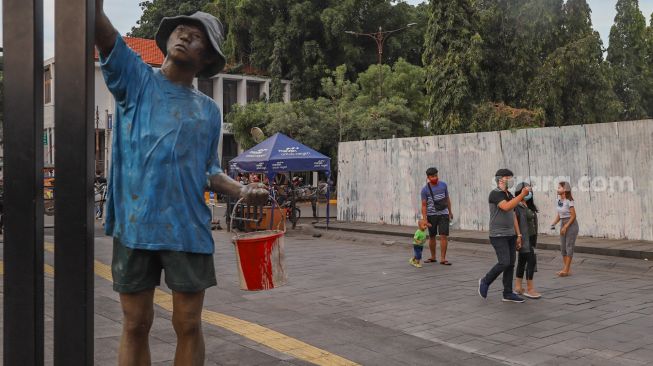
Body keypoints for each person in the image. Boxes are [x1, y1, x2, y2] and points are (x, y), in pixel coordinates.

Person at [95, 2, 268, 365]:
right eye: (181, 31)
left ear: (207, 59)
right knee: (135, 323)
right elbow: (103, 31)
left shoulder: (207, 110)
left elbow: (209, 169)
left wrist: (241, 190)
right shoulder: (137, 79)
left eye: (198, 38)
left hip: (187, 228)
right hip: (135, 225)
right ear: (167, 38)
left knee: (188, 324)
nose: (186, 36)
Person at [478, 169, 530, 303]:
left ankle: (507, 293)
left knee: (511, 264)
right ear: (500, 179)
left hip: (510, 234)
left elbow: (512, 214)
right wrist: (522, 195)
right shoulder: (495, 194)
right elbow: (506, 207)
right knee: (504, 262)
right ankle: (485, 281)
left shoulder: (509, 194)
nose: (511, 180)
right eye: (508, 178)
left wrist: (518, 234)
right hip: (498, 234)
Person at [513, 182, 541, 299]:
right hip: (524, 238)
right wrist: (517, 237)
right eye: (526, 190)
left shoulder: (528, 205)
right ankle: (530, 289)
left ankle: (518, 287)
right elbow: (515, 223)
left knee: (522, 261)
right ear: (520, 192)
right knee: (531, 261)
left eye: (529, 191)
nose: (528, 193)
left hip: (531, 237)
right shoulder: (517, 205)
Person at [420, 167, 453, 265]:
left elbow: (447, 199)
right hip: (431, 215)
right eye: (432, 176)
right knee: (432, 236)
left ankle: (443, 258)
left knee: (443, 236)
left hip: (443, 214)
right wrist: (425, 219)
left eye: (436, 175)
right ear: (428, 177)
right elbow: (424, 205)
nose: (435, 177)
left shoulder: (443, 185)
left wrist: (450, 212)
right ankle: (433, 257)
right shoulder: (425, 190)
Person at [550, 181, 578, 277]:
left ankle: (566, 270)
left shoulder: (569, 201)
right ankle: (566, 269)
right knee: (563, 248)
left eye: (560, 187)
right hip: (563, 223)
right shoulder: (558, 201)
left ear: (565, 189)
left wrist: (566, 226)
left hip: (571, 225)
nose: (557, 189)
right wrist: (554, 223)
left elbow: (573, 216)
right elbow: (559, 215)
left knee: (569, 246)